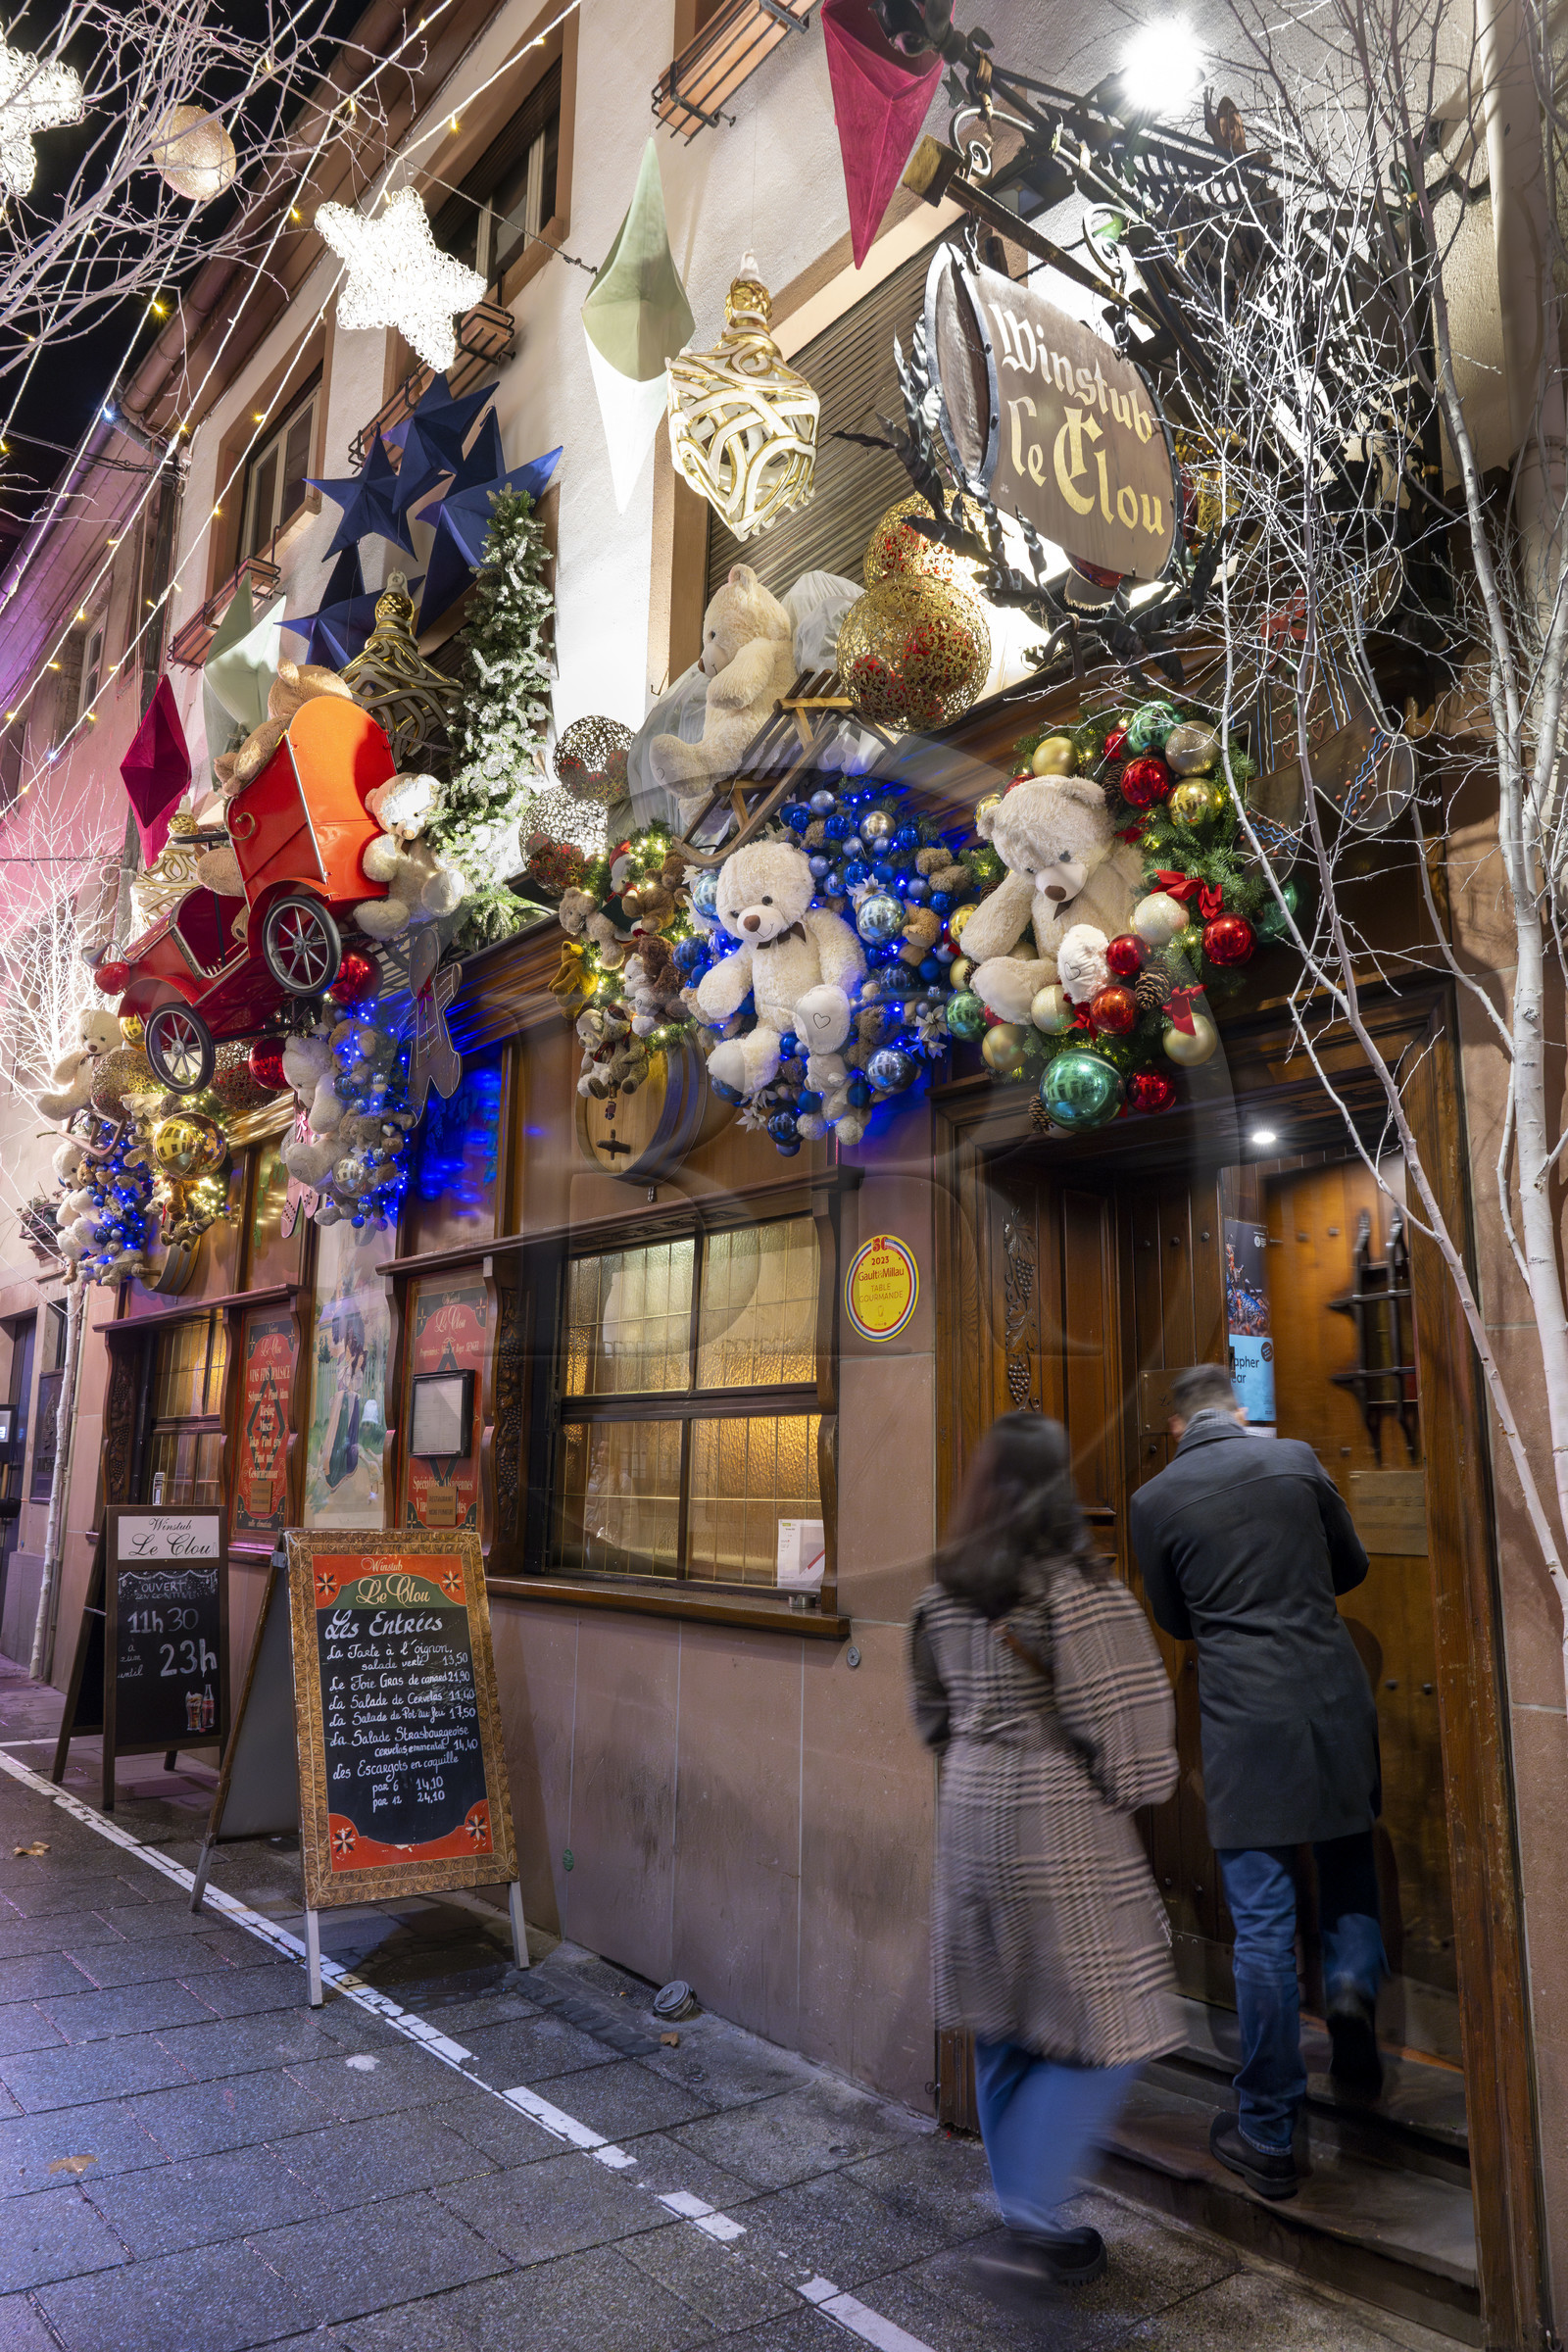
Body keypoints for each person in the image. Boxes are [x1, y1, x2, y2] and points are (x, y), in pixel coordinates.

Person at [909, 1412, 1180, 2304]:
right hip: (1053, 1816)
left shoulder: (944, 1587)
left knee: (1001, 2020)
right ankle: (1029, 2217)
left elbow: (931, 1718)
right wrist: (1135, 1782)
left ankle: (1024, 2215)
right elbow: (1130, 1736)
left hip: (968, 1807)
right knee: (1110, 2024)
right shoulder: (1076, 1586)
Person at [1127, 1363, 1384, 2204]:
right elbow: (1350, 1569)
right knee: (1349, 1871)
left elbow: (1173, 1616)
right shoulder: (1298, 1462)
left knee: (1264, 1928)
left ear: (1175, 1426)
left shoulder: (1155, 1501)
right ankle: (1353, 2026)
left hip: (1247, 1721)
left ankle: (1271, 2133)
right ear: (1238, 1410)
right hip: (1334, 1700)